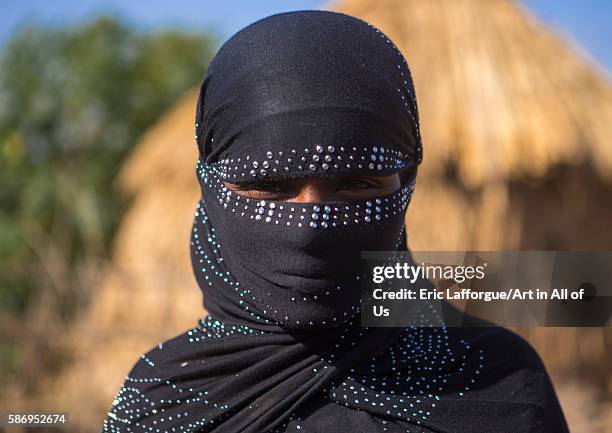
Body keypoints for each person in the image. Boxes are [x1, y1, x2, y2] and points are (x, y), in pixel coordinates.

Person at [102, 10, 569, 433]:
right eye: (267, 187)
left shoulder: (499, 384)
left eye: (356, 184)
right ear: (212, 187)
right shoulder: (161, 405)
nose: (311, 225)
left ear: (406, 184)